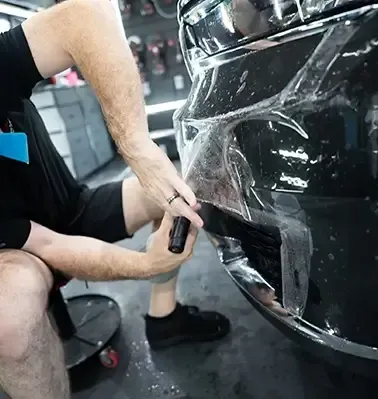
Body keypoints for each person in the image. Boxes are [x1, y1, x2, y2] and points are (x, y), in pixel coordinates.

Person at [0, 0, 230, 398]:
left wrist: (137, 148)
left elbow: (85, 14)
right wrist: (146, 264)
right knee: (11, 321)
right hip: (18, 247)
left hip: (71, 207)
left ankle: (165, 319)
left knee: (183, 189)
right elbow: (49, 245)